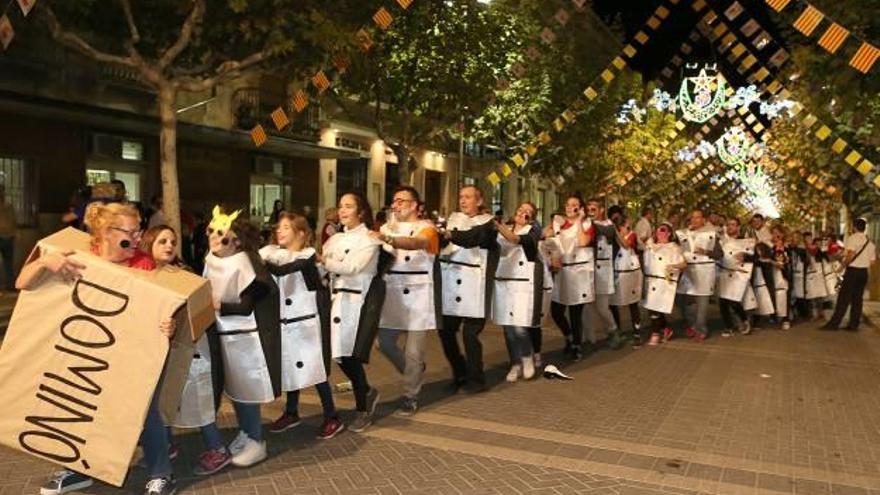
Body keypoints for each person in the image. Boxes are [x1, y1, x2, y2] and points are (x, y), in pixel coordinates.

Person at [20, 203, 178, 495]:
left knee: (145, 411)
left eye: (139, 230)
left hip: (132, 354)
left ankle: (161, 474)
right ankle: (78, 469)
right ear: (106, 232)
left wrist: (169, 325)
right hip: (85, 349)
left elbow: (166, 308)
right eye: (130, 231)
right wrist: (44, 262)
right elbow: (23, 284)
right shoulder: (75, 256)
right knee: (81, 402)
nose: (137, 237)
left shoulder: (145, 264)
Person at [200, 208, 282, 471]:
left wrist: (217, 305)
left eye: (222, 234)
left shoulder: (245, 263)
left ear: (236, 240)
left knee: (246, 391)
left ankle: (256, 439)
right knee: (234, 390)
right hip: (222, 336)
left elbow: (246, 306)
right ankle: (247, 433)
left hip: (245, 339)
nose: (214, 237)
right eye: (211, 231)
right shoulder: (210, 259)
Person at [261, 213, 344, 440]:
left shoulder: (308, 256)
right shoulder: (271, 252)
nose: (279, 231)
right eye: (278, 227)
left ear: (301, 233)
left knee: (314, 371)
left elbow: (285, 269)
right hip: (284, 322)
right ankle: (291, 412)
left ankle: (332, 416)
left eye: (286, 227)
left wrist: (263, 262)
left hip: (306, 323)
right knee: (290, 369)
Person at [374, 186, 441, 416]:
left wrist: (388, 238)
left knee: (414, 351)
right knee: (383, 342)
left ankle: (410, 394)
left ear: (414, 205)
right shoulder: (385, 227)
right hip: (391, 288)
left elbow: (417, 244)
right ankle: (414, 371)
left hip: (418, 292)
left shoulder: (428, 228)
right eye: (394, 201)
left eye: (401, 201)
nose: (396, 205)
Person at [321, 192, 385, 431]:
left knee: (348, 355)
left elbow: (352, 267)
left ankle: (363, 407)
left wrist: (323, 262)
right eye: (340, 207)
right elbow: (324, 268)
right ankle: (367, 392)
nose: (343, 211)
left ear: (361, 212)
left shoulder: (369, 239)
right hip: (335, 300)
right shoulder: (334, 238)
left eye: (349, 206)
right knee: (338, 355)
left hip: (355, 303)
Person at [438, 185, 498, 393]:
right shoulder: (452, 219)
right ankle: (459, 372)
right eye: (461, 196)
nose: (463, 201)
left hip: (475, 283)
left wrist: (448, 235)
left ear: (479, 201)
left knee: (470, 335)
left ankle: (476, 379)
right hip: (451, 281)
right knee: (445, 331)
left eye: (468, 197)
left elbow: (472, 238)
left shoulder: (488, 223)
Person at [493, 202, 543, 382]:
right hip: (503, 282)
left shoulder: (532, 232)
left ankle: (527, 357)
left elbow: (514, 240)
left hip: (522, 284)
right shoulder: (504, 228)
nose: (523, 213)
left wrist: (498, 226)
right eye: (521, 209)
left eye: (528, 212)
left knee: (520, 327)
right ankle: (515, 363)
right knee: (507, 328)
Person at [544, 195, 594, 361]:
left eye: (574, 205)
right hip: (561, 272)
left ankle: (576, 346)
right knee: (556, 311)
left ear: (581, 208)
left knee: (575, 312)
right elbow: (546, 238)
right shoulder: (558, 222)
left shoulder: (587, 224)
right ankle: (569, 336)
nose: (569, 207)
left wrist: (579, 220)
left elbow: (583, 242)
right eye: (567, 204)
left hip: (578, 272)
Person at [676, 208, 722, 342]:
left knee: (702, 304)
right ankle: (692, 324)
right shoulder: (683, 234)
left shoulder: (711, 234)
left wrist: (705, 251)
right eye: (692, 217)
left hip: (705, 271)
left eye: (698, 217)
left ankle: (701, 328)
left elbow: (719, 254)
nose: (695, 220)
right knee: (683, 301)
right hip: (688, 270)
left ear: (703, 219)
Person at [822, 218, 876, 331]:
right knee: (857, 299)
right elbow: (872, 262)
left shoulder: (853, 238)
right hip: (863, 273)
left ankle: (834, 323)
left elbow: (851, 254)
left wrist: (842, 266)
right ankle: (853, 324)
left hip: (853, 271)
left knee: (843, 298)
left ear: (855, 227)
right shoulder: (870, 243)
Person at [642, 223, 686, 345]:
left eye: (663, 230)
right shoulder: (651, 246)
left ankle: (655, 334)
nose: (660, 233)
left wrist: (674, 266)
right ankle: (665, 329)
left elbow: (684, 264)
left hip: (664, 281)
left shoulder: (674, 248)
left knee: (654, 307)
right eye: (658, 230)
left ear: (669, 233)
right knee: (654, 307)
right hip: (651, 280)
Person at [586, 199, 623, 348]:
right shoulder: (586, 225)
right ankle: (589, 337)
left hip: (604, 268)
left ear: (601, 210)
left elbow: (606, 231)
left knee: (602, 307)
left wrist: (586, 222)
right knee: (587, 306)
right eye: (588, 209)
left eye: (593, 209)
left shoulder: (608, 225)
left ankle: (613, 330)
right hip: (588, 267)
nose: (590, 211)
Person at [717, 218, 755, 337]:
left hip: (739, 273)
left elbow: (756, 256)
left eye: (733, 225)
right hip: (723, 272)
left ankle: (744, 320)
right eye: (728, 225)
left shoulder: (746, 241)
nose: (730, 227)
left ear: (738, 227)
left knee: (733, 300)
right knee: (723, 301)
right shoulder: (721, 241)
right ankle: (728, 326)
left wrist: (745, 256)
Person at [609, 216, 643, 348]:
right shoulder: (613, 239)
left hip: (631, 274)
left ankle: (637, 333)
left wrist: (616, 233)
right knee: (613, 304)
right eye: (626, 226)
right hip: (617, 274)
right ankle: (618, 331)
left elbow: (626, 244)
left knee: (633, 303)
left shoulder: (632, 235)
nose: (628, 229)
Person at [0, 185, 16, 290]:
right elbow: (14, 221)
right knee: (8, 263)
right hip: (9, 236)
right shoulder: (9, 206)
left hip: (4, 236)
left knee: (8, 263)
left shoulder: (9, 206)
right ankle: (10, 285)